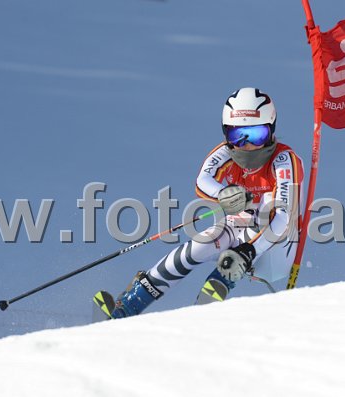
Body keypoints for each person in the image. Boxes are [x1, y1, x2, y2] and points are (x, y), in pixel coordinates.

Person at [111, 87, 304, 318]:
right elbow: (202, 181)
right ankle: (129, 305)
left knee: (259, 218)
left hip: (276, 242)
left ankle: (210, 300)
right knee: (195, 249)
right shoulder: (226, 153)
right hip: (238, 226)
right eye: (237, 135)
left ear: (271, 130)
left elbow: (283, 215)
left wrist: (250, 251)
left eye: (256, 135)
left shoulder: (283, 160)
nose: (246, 145)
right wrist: (224, 194)